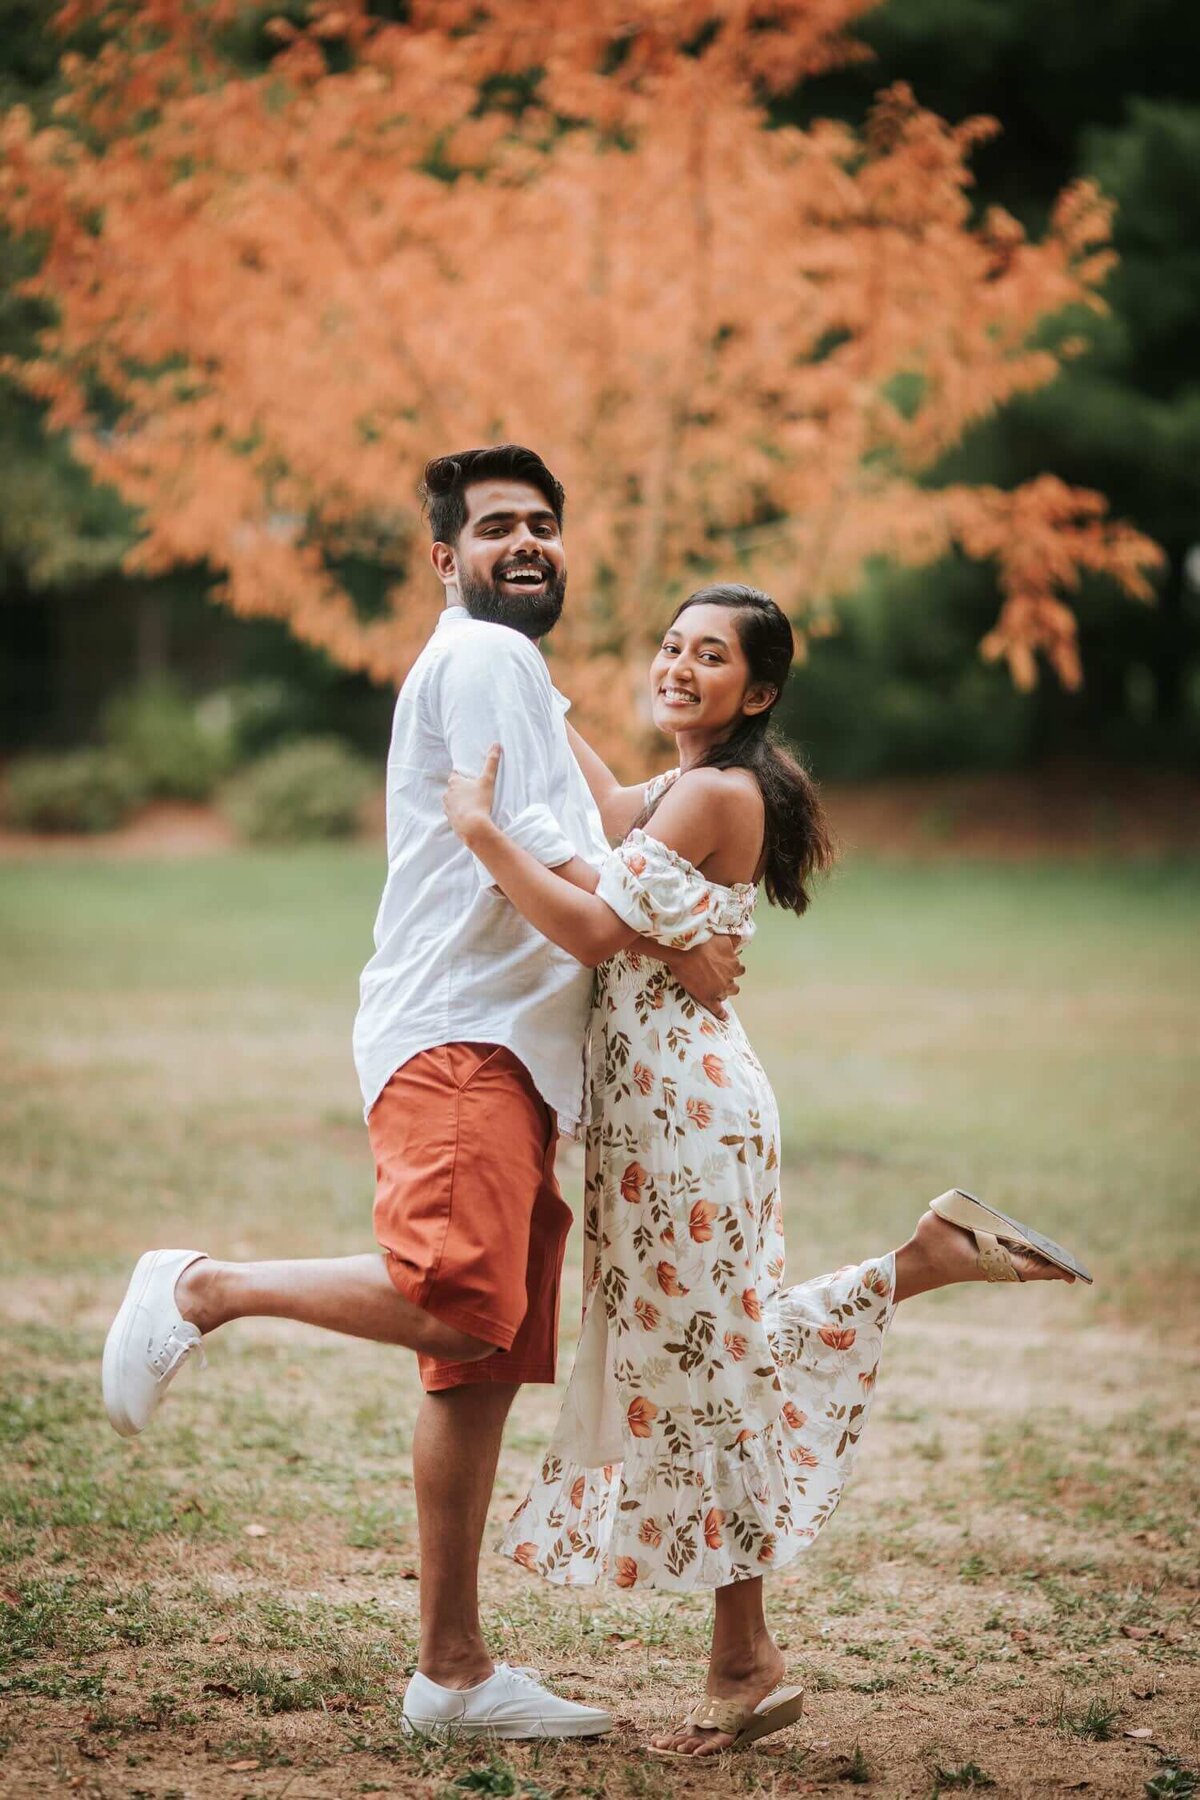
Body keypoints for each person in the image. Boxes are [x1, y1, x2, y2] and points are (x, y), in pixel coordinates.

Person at [100, 445, 745, 1743]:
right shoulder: (484, 659)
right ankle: (201, 1287)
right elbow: (591, 899)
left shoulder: (520, 675)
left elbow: (605, 834)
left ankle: (452, 1676)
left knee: (479, 1360)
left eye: (546, 525)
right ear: (441, 556)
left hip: (517, 1057)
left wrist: (673, 895)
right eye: (498, 525)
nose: (528, 543)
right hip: (467, 1041)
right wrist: (693, 940)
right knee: (454, 1302)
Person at [442, 581, 1092, 1758]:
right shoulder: (695, 785)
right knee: (705, 1356)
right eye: (672, 645)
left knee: (709, 1366)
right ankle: (920, 1263)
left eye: (711, 656)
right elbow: (608, 821)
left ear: (762, 690)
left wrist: (482, 832)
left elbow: (588, 921)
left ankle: (745, 1659)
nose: (680, 667)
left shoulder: (714, 791)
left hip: (688, 1121)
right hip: (672, 1117)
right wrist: (544, 704)